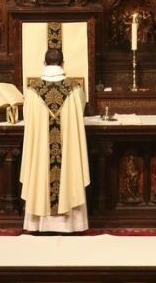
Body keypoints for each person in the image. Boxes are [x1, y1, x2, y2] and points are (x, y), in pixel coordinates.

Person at [20, 47, 90, 233]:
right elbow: (81, 110)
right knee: (70, 171)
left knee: (40, 171)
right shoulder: (75, 89)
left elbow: (27, 118)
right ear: (63, 63)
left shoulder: (32, 90)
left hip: (42, 153)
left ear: (44, 63)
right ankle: (71, 225)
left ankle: (39, 225)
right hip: (67, 154)